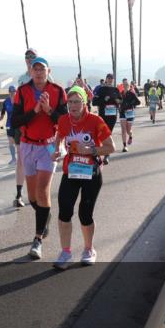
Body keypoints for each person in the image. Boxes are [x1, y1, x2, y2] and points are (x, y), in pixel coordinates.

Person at [51, 86, 115, 269]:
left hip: (91, 173)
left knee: (85, 214)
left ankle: (89, 249)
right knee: (64, 211)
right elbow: (59, 136)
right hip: (70, 172)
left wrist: (91, 150)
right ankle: (66, 252)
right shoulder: (64, 120)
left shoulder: (95, 121)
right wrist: (56, 150)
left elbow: (111, 147)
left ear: (84, 103)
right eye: (70, 102)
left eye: (77, 101)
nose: (73, 105)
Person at [12, 57, 67, 260]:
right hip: (28, 145)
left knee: (43, 191)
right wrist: (35, 111)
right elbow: (15, 121)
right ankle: (45, 215)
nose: (38, 72)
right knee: (33, 197)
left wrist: (49, 110)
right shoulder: (23, 91)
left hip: (48, 145)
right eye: (35, 69)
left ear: (48, 71)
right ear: (30, 71)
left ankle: (37, 240)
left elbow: (64, 121)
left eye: (42, 69)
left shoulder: (58, 91)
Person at [92, 74, 121, 164]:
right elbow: (94, 102)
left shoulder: (115, 90)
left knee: (108, 134)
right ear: (106, 79)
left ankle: (106, 155)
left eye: (111, 78)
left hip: (112, 116)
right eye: (108, 78)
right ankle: (98, 153)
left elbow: (121, 101)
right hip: (103, 116)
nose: (110, 80)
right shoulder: (101, 89)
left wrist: (117, 101)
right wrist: (104, 99)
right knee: (100, 135)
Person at [119, 79, 141, 152]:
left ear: (128, 86)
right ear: (122, 85)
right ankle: (124, 146)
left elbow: (138, 102)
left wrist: (130, 104)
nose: (125, 86)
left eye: (126, 84)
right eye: (124, 84)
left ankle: (130, 136)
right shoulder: (121, 93)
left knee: (128, 130)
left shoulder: (131, 93)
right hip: (122, 113)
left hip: (130, 113)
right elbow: (118, 102)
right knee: (123, 130)